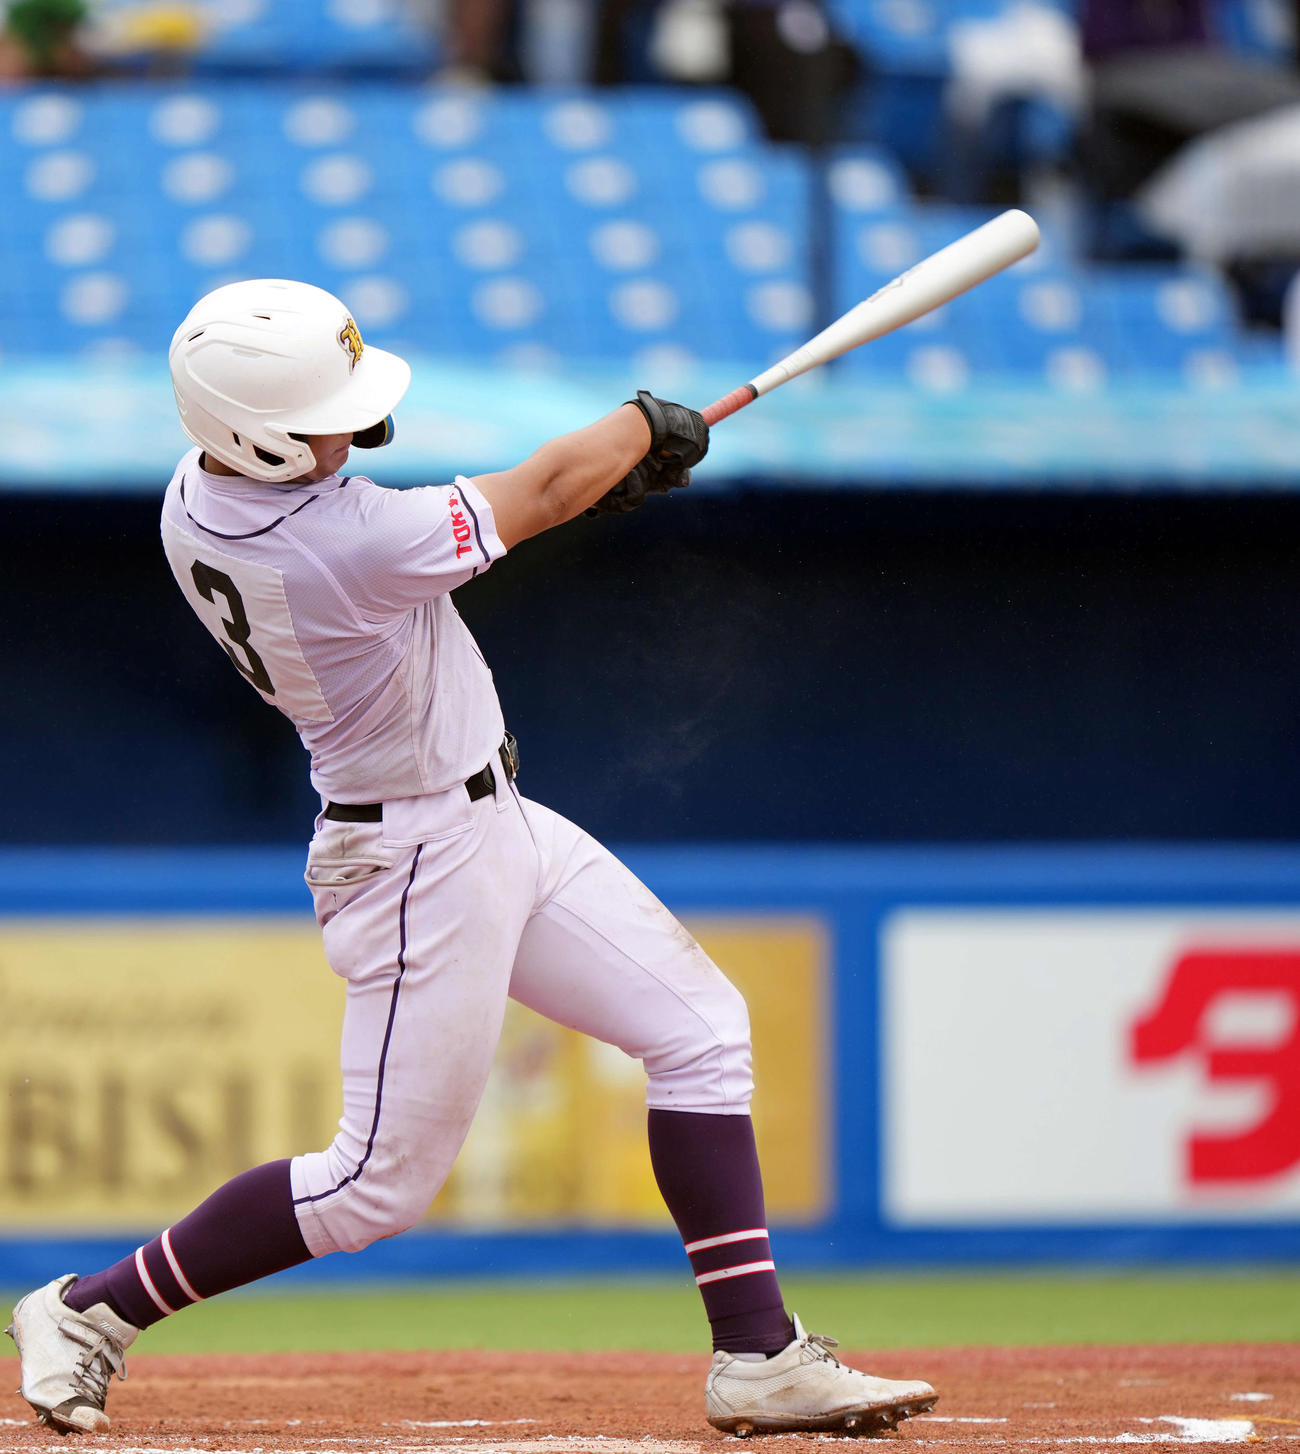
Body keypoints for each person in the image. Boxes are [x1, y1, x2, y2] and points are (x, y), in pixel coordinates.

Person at [6, 278, 938, 1440]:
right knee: (373, 1186)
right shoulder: (338, 540)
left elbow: (521, 506)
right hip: (413, 860)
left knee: (702, 1032)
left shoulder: (197, 497)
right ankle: (91, 1308)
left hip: (493, 820)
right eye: (319, 417)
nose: (346, 430)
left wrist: (598, 474)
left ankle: (758, 1354)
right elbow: (535, 490)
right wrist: (641, 428)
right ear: (253, 432)